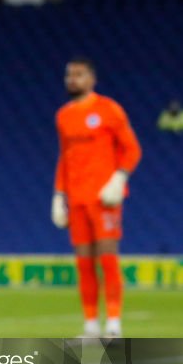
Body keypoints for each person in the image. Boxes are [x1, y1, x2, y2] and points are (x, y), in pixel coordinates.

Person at [51, 58, 142, 338]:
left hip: (104, 198)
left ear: (92, 79)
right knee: (84, 263)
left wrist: (119, 178)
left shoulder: (108, 110)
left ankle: (113, 324)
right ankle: (91, 325)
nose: (72, 79)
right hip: (76, 198)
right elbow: (65, 158)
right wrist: (58, 194)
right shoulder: (63, 116)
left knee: (107, 260)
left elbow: (132, 149)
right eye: (69, 74)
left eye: (78, 75)